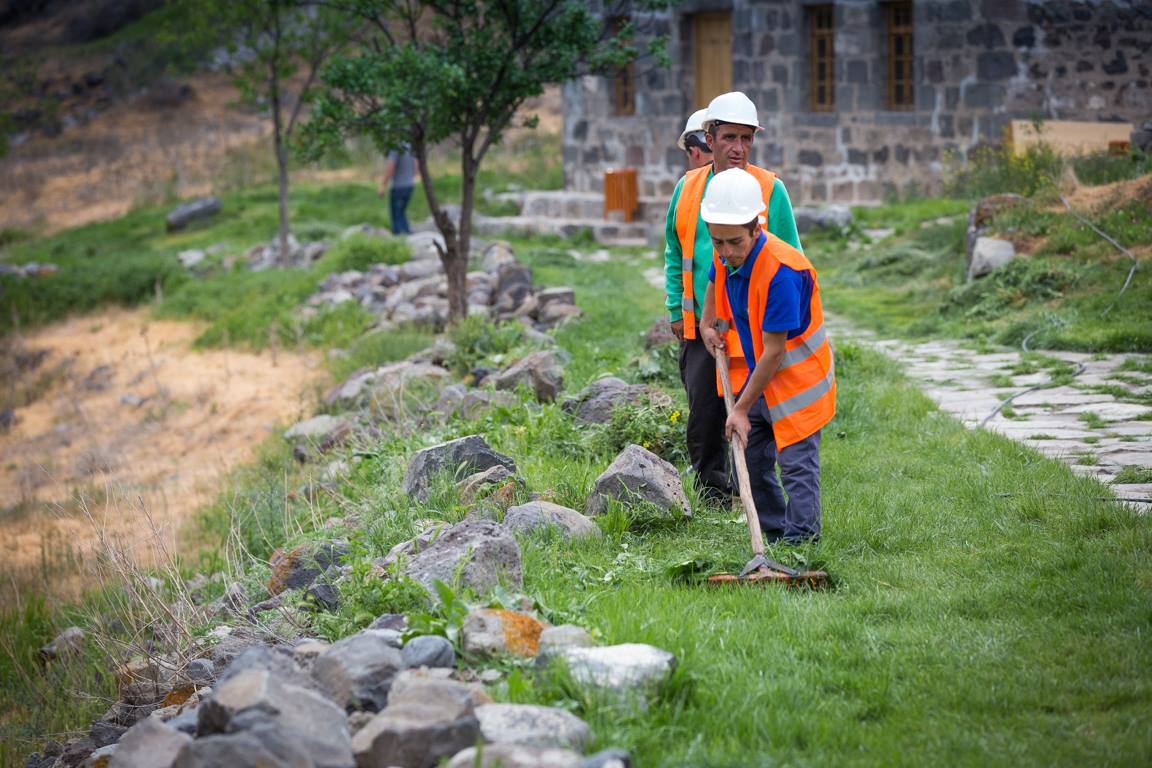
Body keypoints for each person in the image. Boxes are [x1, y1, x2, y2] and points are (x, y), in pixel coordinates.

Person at [662, 91, 803, 508]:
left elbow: (793, 259)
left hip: (754, 327)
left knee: (755, 414)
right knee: (704, 412)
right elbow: (675, 250)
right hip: (702, 326)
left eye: (746, 138)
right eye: (729, 138)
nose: (738, 148)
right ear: (709, 138)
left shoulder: (770, 189)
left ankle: (753, 492)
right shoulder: (688, 188)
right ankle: (713, 492)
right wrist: (676, 308)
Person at [699, 168, 836, 543]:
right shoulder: (727, 251)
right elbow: (715, 275)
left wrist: (740, 409)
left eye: (734, 242)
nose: (726, 252)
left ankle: (802, 541)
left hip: (797, 381)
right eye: (718, 241)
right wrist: (707, 322)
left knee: (795, 464)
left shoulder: (783, 273)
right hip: (760, 377)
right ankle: (775, 532)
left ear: (756, 228)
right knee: (752, 456)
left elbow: (775, 352)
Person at [379, 146, 416, 235]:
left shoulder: (395, 147)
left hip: (398, 186)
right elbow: (416, 165)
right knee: (402, 213)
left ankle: (399, 238)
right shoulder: (410, 146)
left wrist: (383, 185)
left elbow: (391, 166)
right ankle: (407, 233)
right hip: (410, 185)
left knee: (397, 216)